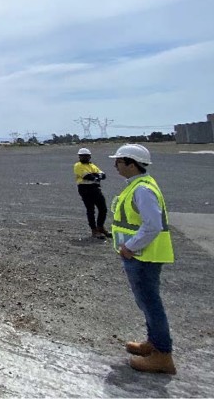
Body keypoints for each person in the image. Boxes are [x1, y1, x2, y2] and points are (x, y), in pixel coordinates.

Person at [109, 144, 176, 374]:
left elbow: (152, 225)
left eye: (118, 161)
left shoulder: (142, 190)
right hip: (141, 255)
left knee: (151, 304)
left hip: (142, 256)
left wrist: (129, 246)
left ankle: (163, 356)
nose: (115, 165)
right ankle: (154, 344)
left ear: (131, 163)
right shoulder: (138, 185)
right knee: (146, 303)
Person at [74, 148, 111, 239]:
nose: (85, 157)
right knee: (90, 210)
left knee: (103, 208)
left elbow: (103, 175)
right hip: (85, 189)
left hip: (95, 188)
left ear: (90, 156)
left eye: (87, 156)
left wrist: (96, 176)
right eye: (83, 156)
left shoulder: (92, 165)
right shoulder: (78, 165)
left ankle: (100, 227)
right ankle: (94, 230)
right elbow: (87, 176)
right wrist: (97, 176)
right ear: (79, 156)